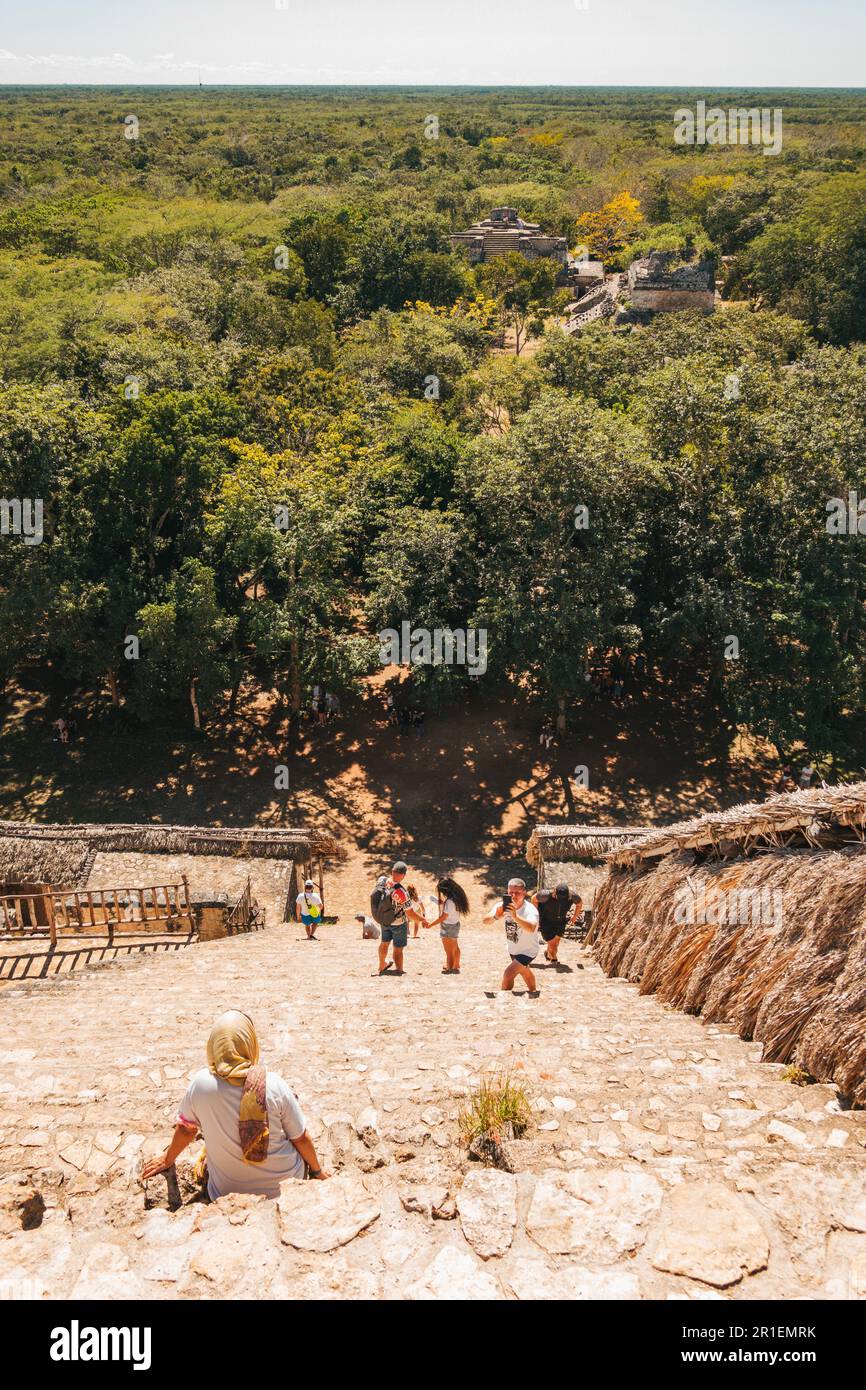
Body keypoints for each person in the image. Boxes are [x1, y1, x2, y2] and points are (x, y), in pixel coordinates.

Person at [140, 1010, 329, 1198]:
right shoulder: (275, 1084)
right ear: (250, 1043)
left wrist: (167, 1159)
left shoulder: (200, 1085)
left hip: (225, 1192)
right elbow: (301, 1138)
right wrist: (317, 1172)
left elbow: (186, 1130)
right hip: (284, 1187)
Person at [487, 877, 541, 996]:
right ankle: (533, 991)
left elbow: (532, 928)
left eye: (517, 893)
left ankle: (505, 997)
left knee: (508, 973)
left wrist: (515, 917)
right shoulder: (502, 906)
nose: (513, 895)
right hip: (513, 949)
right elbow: (485, 921)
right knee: (524, 971)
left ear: (524, 893)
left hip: (528, 950)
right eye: (511, 892)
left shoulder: (530, 910)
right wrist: (496, 916)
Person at [370, 861, 422, 976]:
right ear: (403, 875)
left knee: (384, 943)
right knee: (398, 948)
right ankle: (399, 969)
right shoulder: (402, 892)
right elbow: (410, 914)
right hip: (398, 923)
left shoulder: (383, 881)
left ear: (392, 871)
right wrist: (423, 920)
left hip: (384, 920)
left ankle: (381, 965)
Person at [534, 882, 581, 964]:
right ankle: (554, 959)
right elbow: (533, 899)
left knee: (556, 942)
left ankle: (548, 954)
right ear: (555, 892)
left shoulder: (572, 896)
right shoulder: (545, 895)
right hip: (546, 921)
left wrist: (575, 917)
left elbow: (579, 904)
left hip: (560, 921)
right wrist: (536, 915)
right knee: (553, 944)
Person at [429, 877, 469, 974]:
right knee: (455, 947)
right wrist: (443, 904)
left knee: (448, 950)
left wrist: (431, 924)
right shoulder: (457, 899)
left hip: (447, 927)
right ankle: (456, 965)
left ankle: (449, 967)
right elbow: (451, 911)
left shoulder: (449, 902)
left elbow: (444, 916)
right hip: (455, 925)